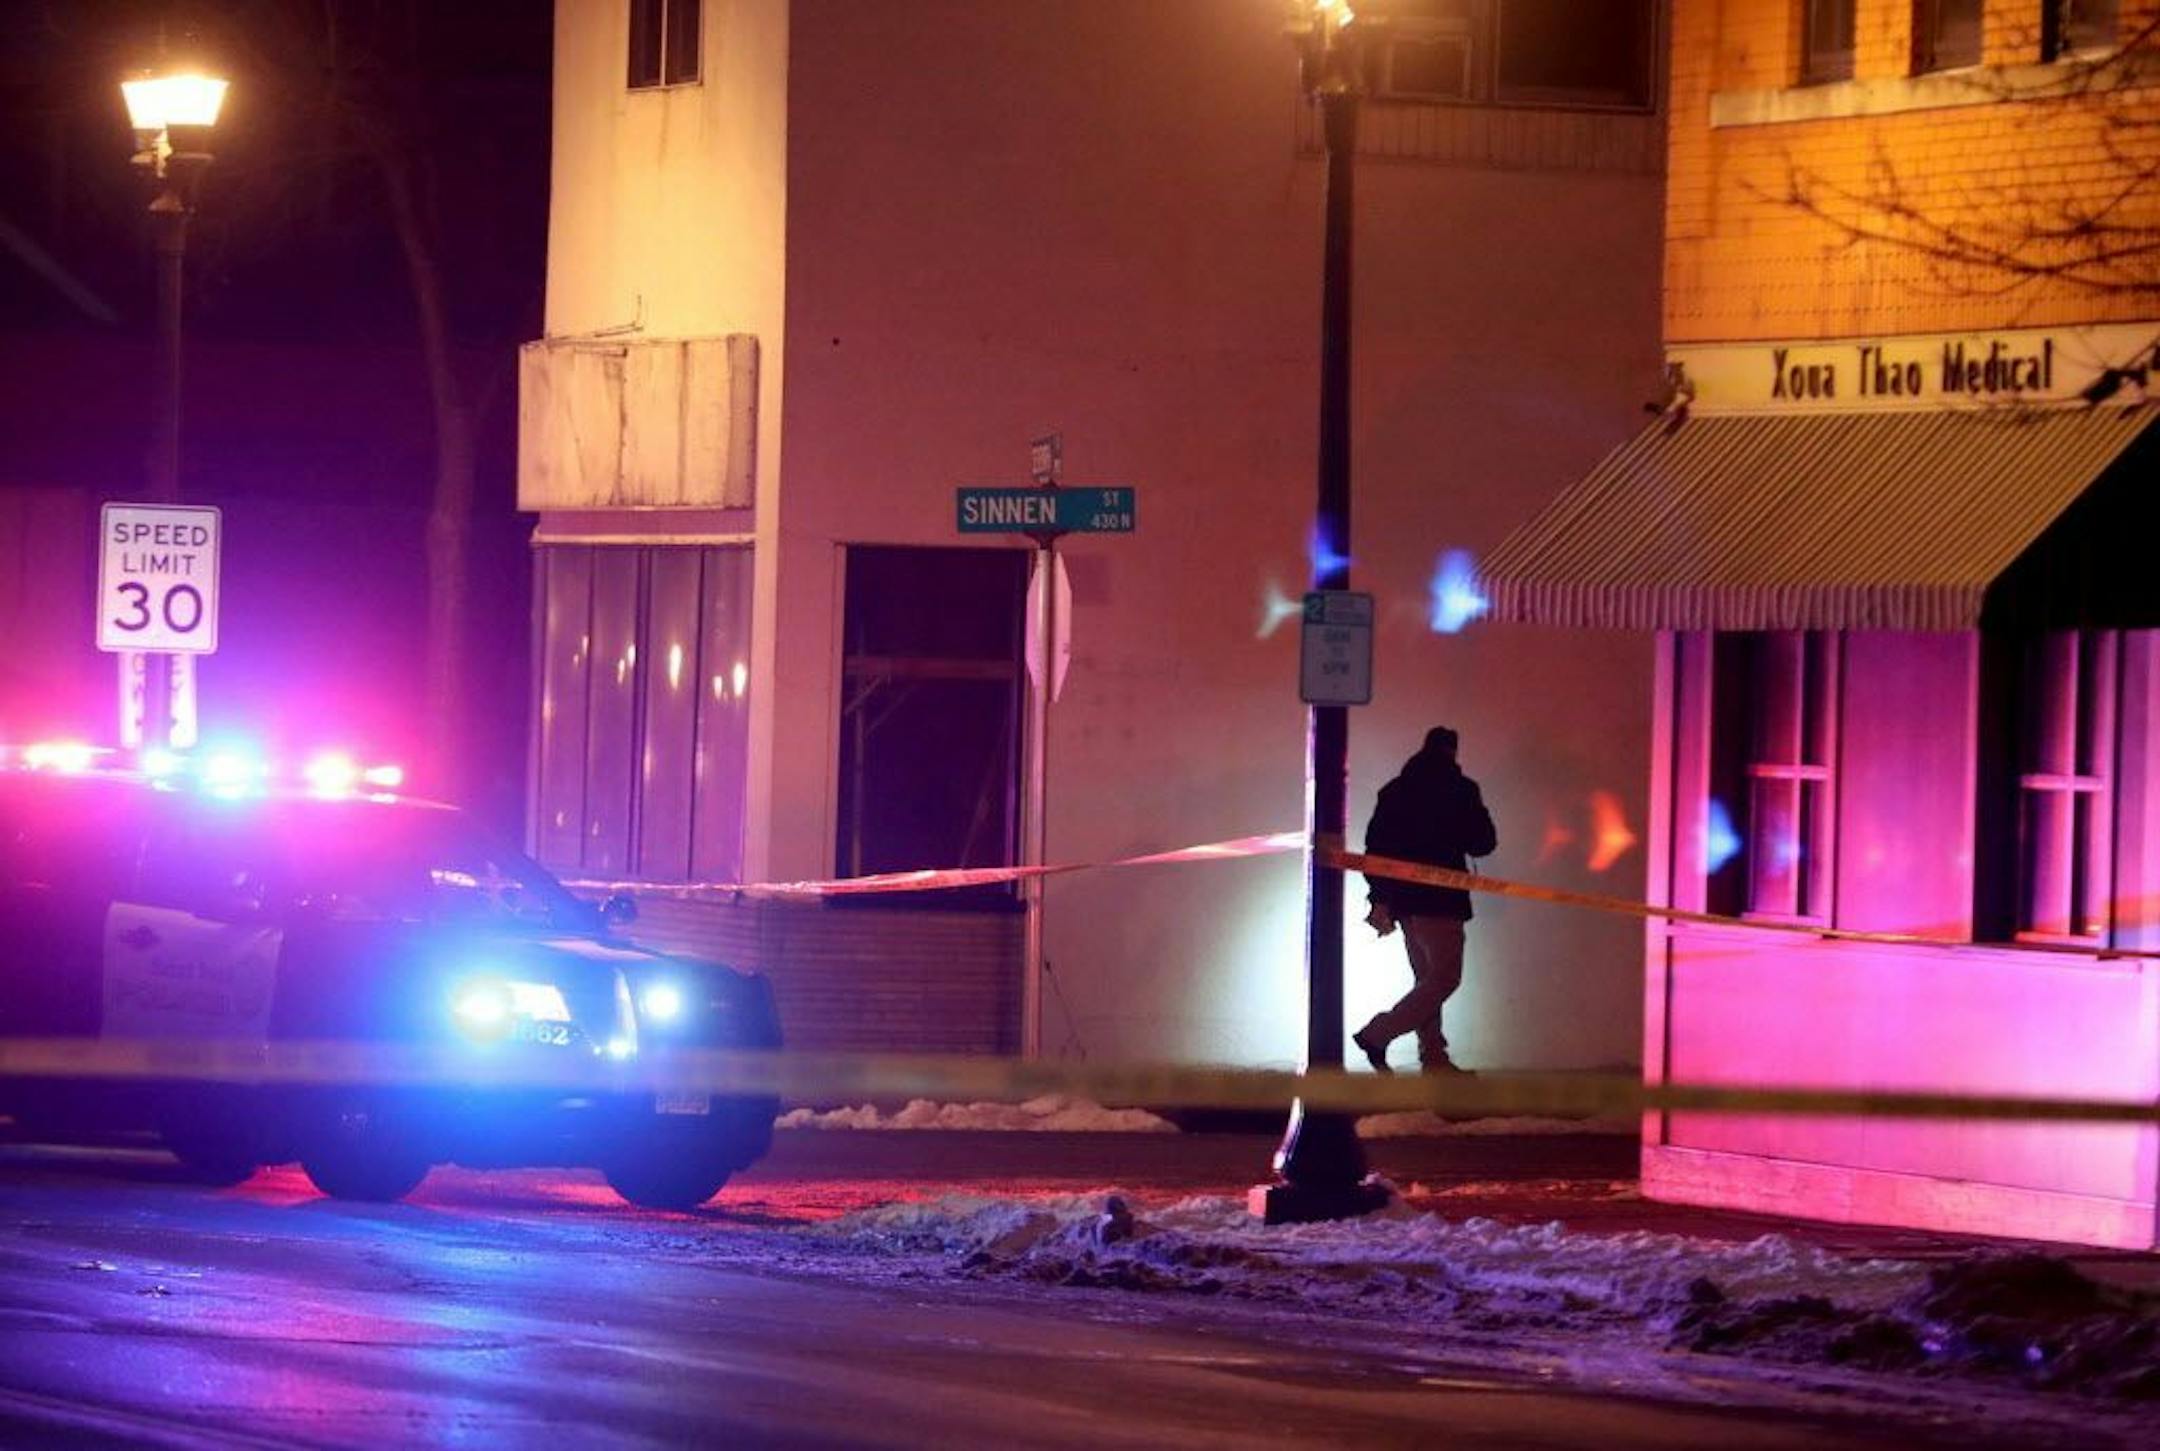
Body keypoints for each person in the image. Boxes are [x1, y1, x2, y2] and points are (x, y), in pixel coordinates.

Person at [1352, 726, 1497, 1075]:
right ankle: (1378, 1033)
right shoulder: (1461, 790)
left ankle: (1434, 1057)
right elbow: (1483, 842)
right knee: (1444, 978)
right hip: (1442, 900)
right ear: (1452, 753)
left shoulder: (1394, 791)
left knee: (1426, 982)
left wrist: (1381, 898)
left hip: (1405, 902)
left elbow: (1376, 850)